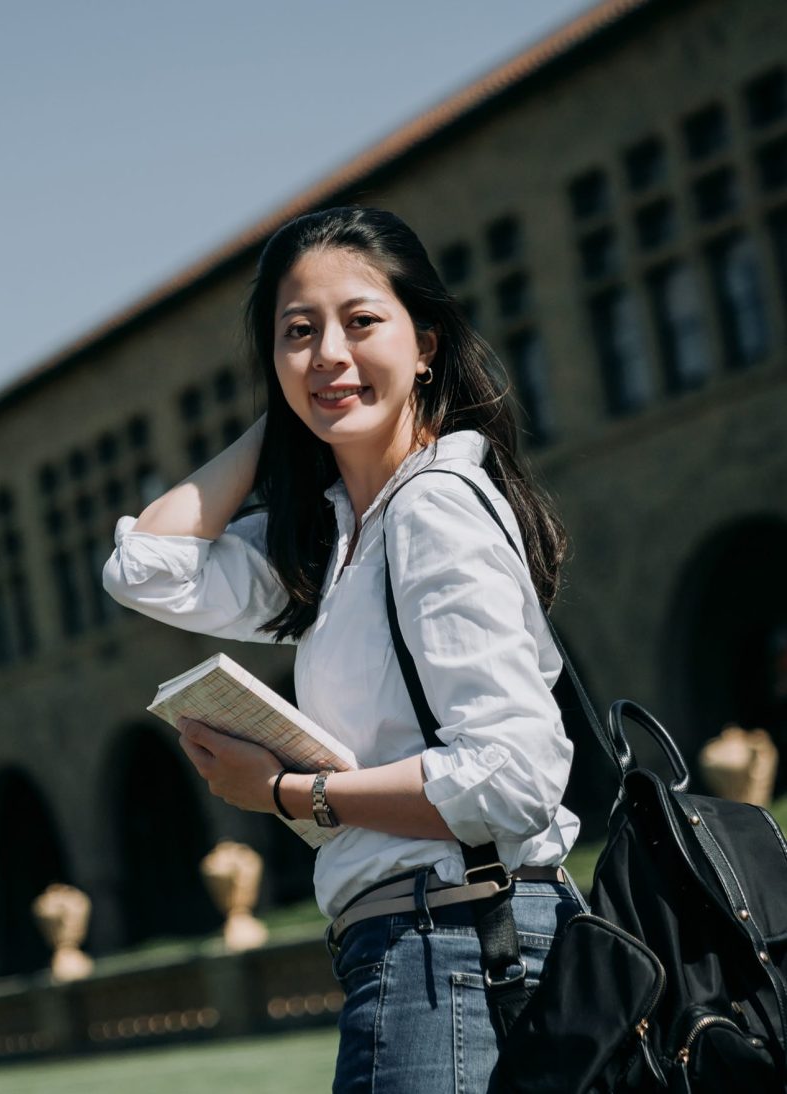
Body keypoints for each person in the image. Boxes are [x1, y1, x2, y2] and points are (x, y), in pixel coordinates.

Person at [101, 206, 586, 1092]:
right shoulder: (334, 540)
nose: (328, 351)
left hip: (453, 948)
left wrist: (289, 793)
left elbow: (513, 778)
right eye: (298, 333)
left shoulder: (431, 509)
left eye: (361, 322)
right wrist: (295, 414)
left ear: (425, 341)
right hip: (419, 949)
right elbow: (145, 568)